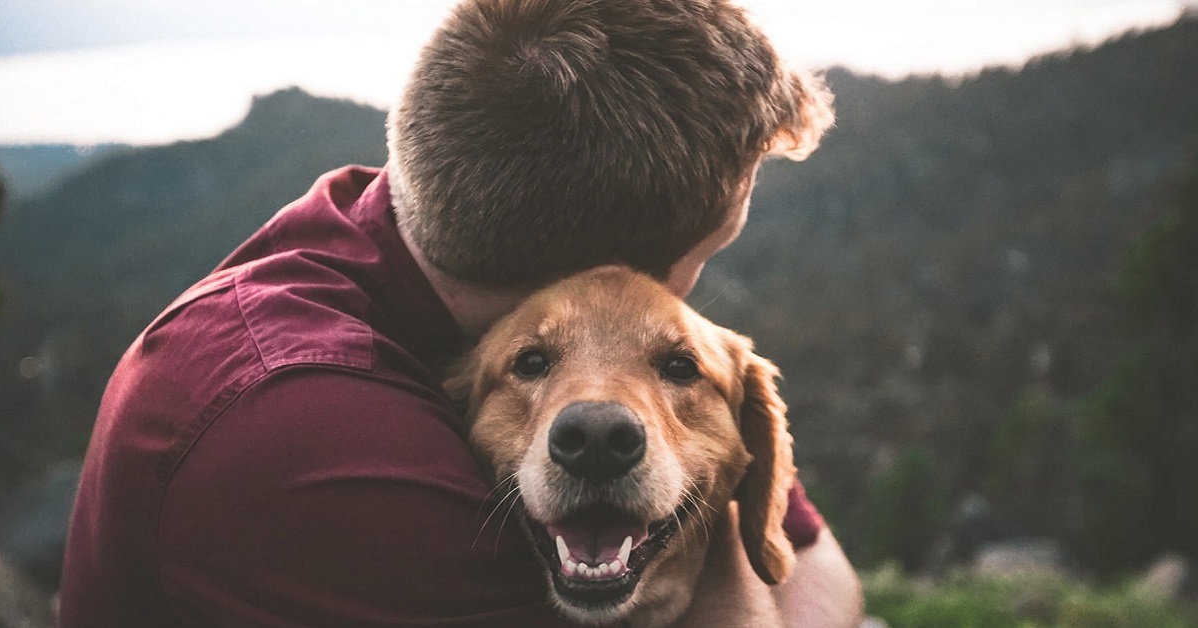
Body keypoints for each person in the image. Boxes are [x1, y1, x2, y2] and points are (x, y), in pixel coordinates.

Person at [59, 0, 860, 625]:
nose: (673, 303)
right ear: (603, 273)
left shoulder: (400, 226)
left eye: (673, 358)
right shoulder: (306, 435)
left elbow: (817, 565)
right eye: (704, 257)